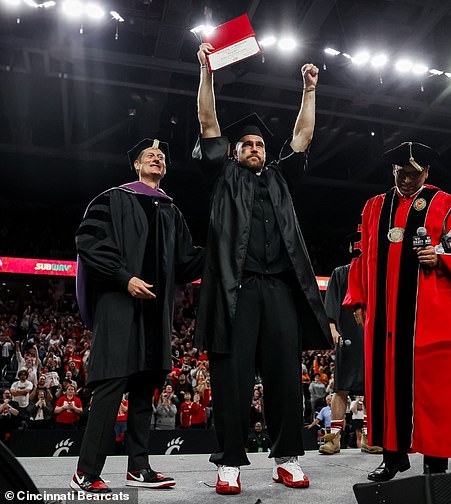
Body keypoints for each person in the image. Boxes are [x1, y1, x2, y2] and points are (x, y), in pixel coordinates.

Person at [193, 43, 331, 495]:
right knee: (231, 378)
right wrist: (206, 73)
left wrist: (309, 90)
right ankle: (229, 462)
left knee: (285, 378)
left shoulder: (277, 177)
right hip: (236, 291)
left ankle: (287, 458)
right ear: (233, 152)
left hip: (279, 291)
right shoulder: (223, 174)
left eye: (259, 145)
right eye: (246, 145)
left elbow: (303, 137)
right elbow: (208, 121)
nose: (254, 149)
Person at [70, 138, 206, 493]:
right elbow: (87, 242)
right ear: (136, 165)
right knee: (111, 390)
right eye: (150, 155)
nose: (158, 158)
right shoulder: (112, 199)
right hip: (118, 307)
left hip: (155, 313)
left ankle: (139, 468)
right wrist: (123, 277)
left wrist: (221, 245)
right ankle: (85, 472)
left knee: (145, 391)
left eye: (161, 157)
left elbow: (185, 262)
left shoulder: (170, 211)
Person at [344, 141, 451, 480]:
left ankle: (436, 460)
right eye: (401, 173)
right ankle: (393, 455)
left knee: (433, 386)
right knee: (385, 384)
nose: (407, 180)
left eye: (414, 174)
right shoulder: (373, 207)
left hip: (428, 312)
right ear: (393, 170)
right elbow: (358, 253)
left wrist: (441, 258)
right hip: (383, 314)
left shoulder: (445, 204)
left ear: (427, 172)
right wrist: (357, 297)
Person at [322, 262, 381, 455]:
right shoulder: (341, 272)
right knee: (341, 387)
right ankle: (334, 439)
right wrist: (332, 328)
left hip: (372, 334)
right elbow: (330, 303)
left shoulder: (376, 269)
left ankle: (369, 437)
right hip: (347, 334)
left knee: (373, 388)